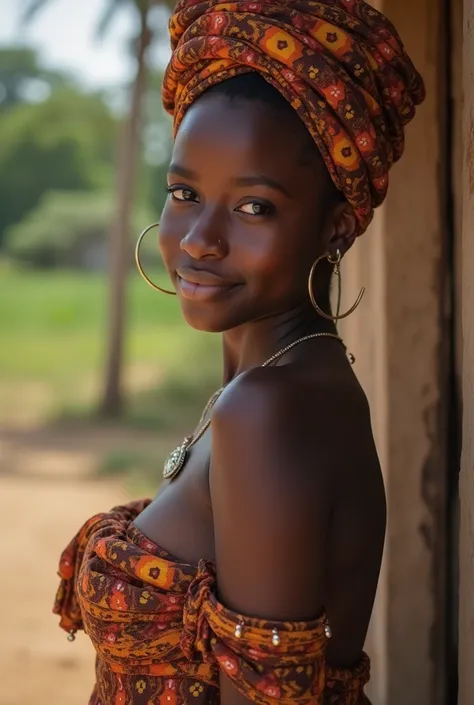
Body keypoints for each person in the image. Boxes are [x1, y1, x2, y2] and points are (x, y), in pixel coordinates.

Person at [54, 1, 425, 704]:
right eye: (185, 193)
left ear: (337, 227)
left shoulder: (270, 409)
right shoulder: (274, 387)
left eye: (253, 206)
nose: (198, 239)